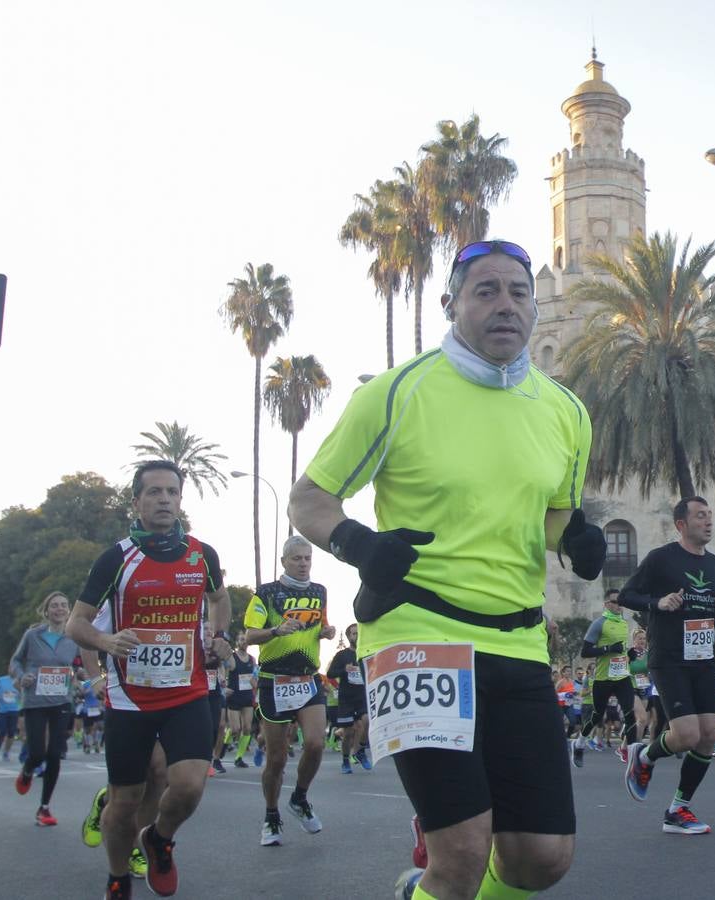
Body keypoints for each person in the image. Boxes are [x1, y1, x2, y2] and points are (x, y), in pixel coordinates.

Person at [290, 239, 602, 900]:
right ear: (451, 304)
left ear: (535, 308)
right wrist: (358, 544)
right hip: (416, 636)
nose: (503, 306)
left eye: (518, 292)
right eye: (484, 290)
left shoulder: (566, 413)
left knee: (540, 859)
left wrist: (575, 542)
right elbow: (310, 501)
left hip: (518, 641)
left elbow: (552, 518)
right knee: (459, 850)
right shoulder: (398, 392)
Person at [65, 460, 232, 900]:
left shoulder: (202, 554)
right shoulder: (116, 558)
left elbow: (219, 598)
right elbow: (76, 624)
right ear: (136, 501)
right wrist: (106, 639)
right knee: (124, 804)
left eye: (171, 492)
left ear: (180, 500)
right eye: (153, 492)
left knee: (190, 784)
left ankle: (159, 839)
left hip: (188, 690)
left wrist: (220, 636)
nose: (163, 499)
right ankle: (118, 875)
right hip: (130, 700)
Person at [619, 497, 715, 836]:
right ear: (681, 524)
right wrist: (658, 603)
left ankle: (678, 809)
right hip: (669, 658)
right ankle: (646, 757)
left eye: (710, 515)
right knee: (686, 735)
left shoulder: (714, 565)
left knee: (709, 734)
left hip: (703, 658)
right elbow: (627, 595)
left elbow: (714, 609)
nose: (708, 521)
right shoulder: (661, 559)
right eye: (699, 516)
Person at [243, 534, 336, 845]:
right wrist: (275, 630)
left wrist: (326, 631)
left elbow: (320, 624)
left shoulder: (319, 591)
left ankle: (299, 797)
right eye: (297, 558)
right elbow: (249, 635)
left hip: (308, 678)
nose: (303, 564)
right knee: (278, 758)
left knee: (315, 743)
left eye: (307, 558)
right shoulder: (267, 593)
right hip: (273, 679)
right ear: (284, 561)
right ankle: (271, 816)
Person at [11, 591, 81, 827]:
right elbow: (15, 661)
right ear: (46, 610)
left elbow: (79, 666)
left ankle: (44, 808)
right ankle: (28, 770)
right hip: (35, 701)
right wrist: (22, 677)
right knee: (37, 753)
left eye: (63, 605)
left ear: (69, 609)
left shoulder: (73, 638)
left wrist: (80, 678)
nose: (59, 609)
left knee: (54, 754)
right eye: (54, 606)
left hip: (61, 701)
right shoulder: (33, 635)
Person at [571, 590, 637, 767]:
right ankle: (579, 743)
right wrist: (608, 649)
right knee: (596, 716)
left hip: (622, 676)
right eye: (615, 602)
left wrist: (630, 653)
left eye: (621, 602)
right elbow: (585, 652)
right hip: (603, 679)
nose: (619, 606)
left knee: (630, 714)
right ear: (607, 604)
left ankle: (631, 756)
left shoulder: (624, 623)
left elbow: (621, 650)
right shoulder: (599, 624)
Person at [327, 623, 372, 774]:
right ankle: (345, 760)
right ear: (348, 637)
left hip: (362, 696)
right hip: (346, 698)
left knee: (366, 721)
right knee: (348, 733)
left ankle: (361, 750)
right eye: (353, 633)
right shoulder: (342, 655)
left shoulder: (366, 653)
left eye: (359, 633)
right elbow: (330, 674)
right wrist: (344, 670)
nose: (357, 636)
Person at [224, 640, 256, 768]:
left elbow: (255, 675)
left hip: (247, 696)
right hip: (234, 696)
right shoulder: (232, 657)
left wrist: (256, 685)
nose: (244, 642)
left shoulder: (252, 659)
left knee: (247, 728)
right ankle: (224, 745)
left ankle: (239, 757)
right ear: (237, 641)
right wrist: (224, 685)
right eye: (242, 639)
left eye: (246, 640)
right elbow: (225, 670)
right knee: (235, 729)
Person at [0, 668, 21, 762]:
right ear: (8, 670)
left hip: (14, 709)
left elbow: (23, 692)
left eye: (14, 669)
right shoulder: (1, 680)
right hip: (2, 710)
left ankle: (6, 752)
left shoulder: (19, 680)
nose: (12, 671)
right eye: (10, 669)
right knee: (2, 730)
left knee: (12, 733)